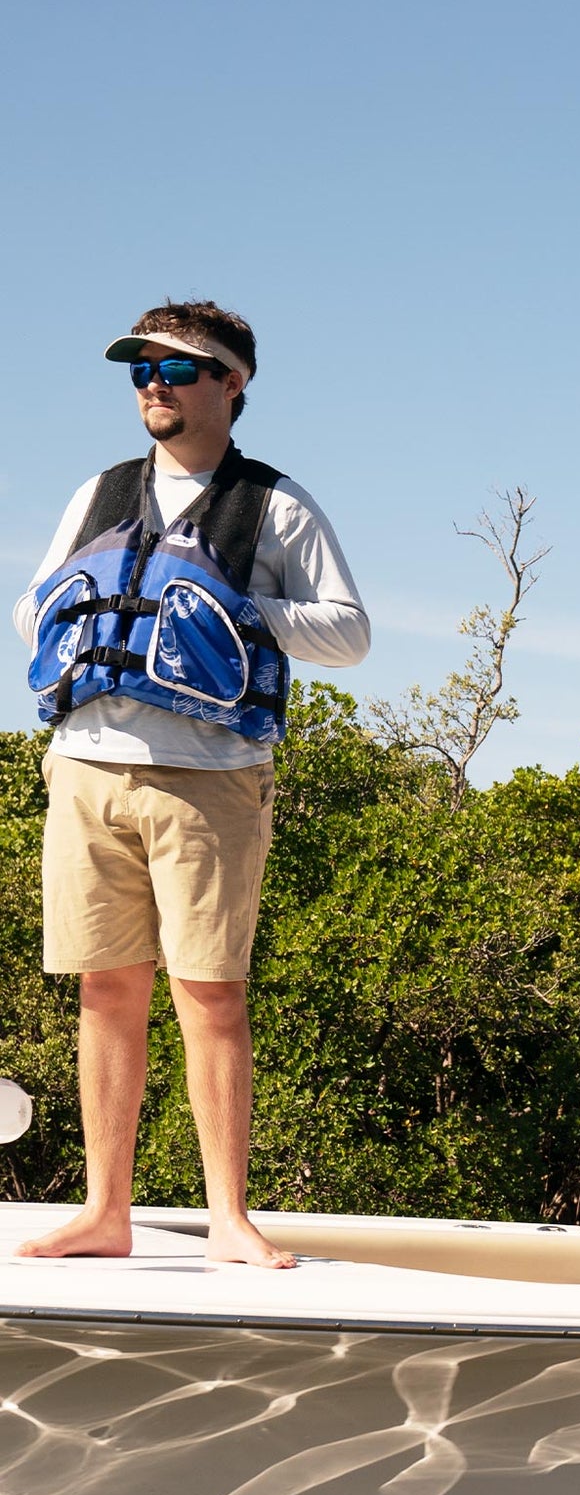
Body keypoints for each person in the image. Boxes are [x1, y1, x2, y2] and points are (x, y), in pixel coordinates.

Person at [12, 302, 370, 1268]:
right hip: (87, 765)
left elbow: (349, 631)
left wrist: (229, 609)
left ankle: (228, 1220)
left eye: (176, 368)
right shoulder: (99, 491)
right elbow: (33, 606)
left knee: (210, 994)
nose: (152, 385)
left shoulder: (275, 504)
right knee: (105, 987)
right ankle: (104, 1211)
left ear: (232, 384)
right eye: (139, 370)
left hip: (209, 776)